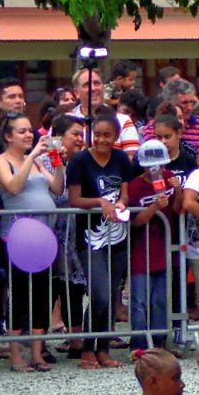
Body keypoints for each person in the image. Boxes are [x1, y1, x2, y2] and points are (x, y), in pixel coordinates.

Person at [66, 113, 141, 370]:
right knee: (99, 293)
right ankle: (88, 347)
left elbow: (126, 191)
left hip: (117, 236)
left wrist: (121, 202)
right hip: (90, 238)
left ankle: (104, 348)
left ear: (116, 137)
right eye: (97, 134)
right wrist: (100, 202)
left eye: (107, 135)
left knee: (111, 295)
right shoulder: (79, 161)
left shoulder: (121, 159)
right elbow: (74, 199)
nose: (100, 140)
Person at [120, 139, 182, 354]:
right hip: (141, 251)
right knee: (139, 300)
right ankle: (138, 344)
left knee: (160, 299)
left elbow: (178, 210)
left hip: (165, 250)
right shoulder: (135, 186)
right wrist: (156, 205)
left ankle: (159, 342)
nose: (156, 169)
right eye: (151, 166)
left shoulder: (168, 179)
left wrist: (177, 190)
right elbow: (135, 221)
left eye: (161, 165)